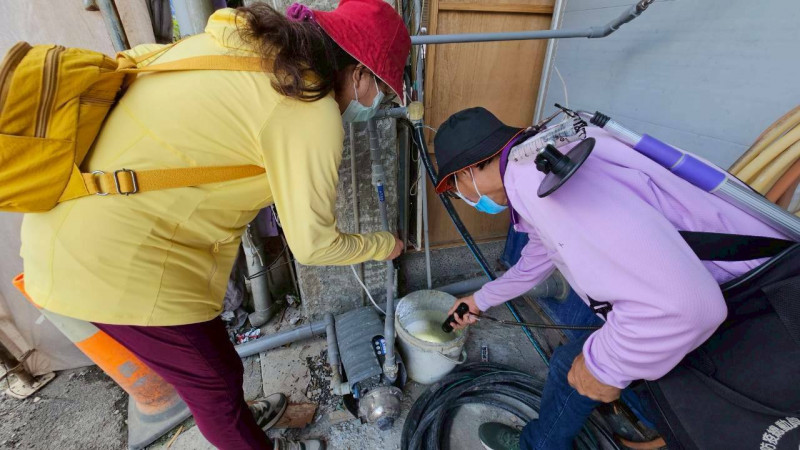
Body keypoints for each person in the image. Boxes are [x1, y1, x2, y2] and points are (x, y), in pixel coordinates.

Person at [19, 1, 410, 449]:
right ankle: (242, 434)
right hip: (104, 261)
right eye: (381, 88)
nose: (377, 102)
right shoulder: (306, 108)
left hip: (78, 217)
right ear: (358, 71)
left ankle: (243, 422)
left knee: (219, 367)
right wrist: (384, 244)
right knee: (214, 387)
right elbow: (313, 245)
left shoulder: (250, 45)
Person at [435, 107, 789, 450]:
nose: (462, 197)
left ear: (466, 174)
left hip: (757, 302)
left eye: (454, 189)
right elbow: (536, 259)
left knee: (577, 368)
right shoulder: (546, 154)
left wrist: (602, 368)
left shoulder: (537, 183)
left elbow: (687, 307)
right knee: (579, 363)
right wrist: (480, 299)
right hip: (762, 275)